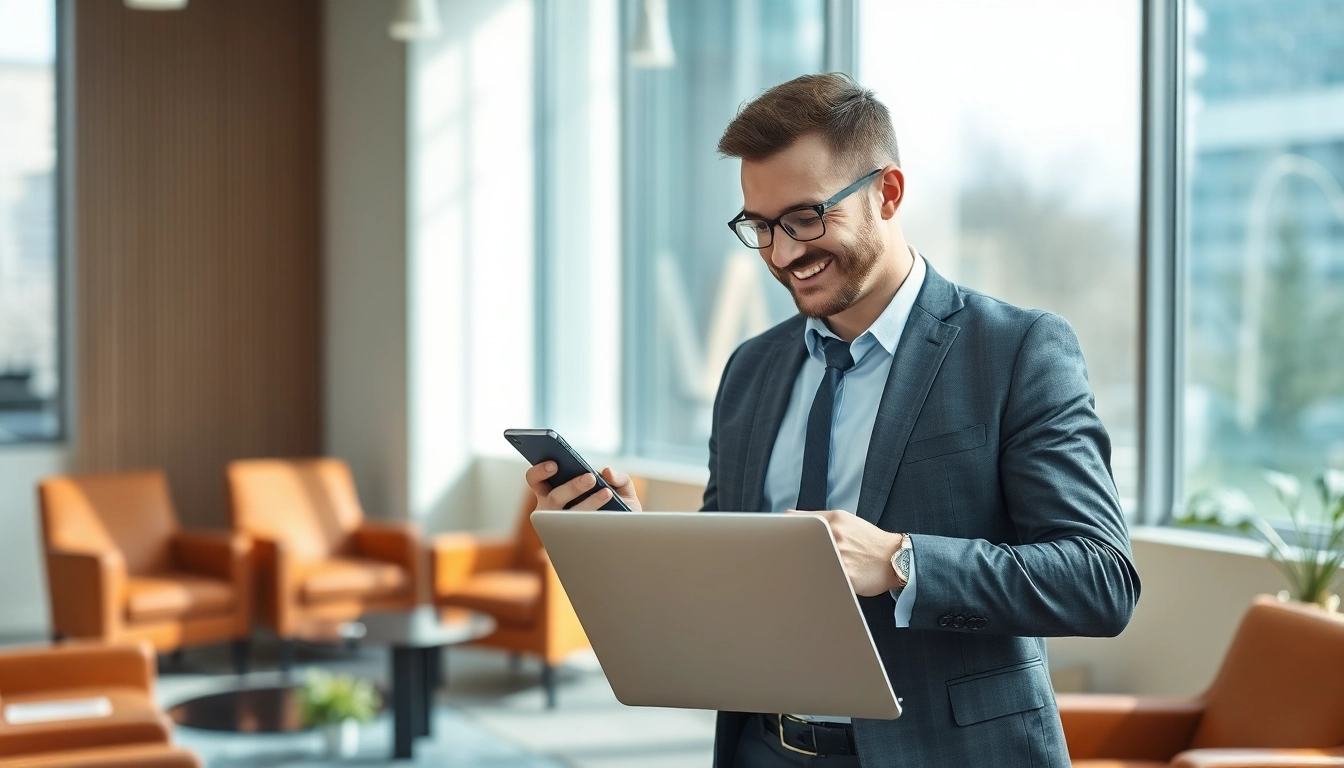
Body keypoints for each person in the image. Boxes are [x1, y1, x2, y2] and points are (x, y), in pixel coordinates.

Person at [524, 73, 1139, 768]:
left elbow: (1100, 579)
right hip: (764, 749)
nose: (784, 254)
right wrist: (626, 544)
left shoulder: (1013, 351)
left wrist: (902, 561)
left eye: (807, 217)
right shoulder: (751, 371)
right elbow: (735, 571)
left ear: (889, 192)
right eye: (761, 227)